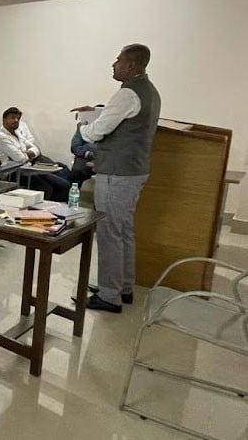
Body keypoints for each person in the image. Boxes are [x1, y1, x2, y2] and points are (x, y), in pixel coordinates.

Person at [76, 44, 161, 313]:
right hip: (134, 171)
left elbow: (98, 132)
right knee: (124, 231)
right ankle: (123, 286)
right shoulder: (149, 91)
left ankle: (109, 296)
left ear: (132, 65)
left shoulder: (126, 94)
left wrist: (83, 126)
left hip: (117, 174)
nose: (113, 64)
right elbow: (123, 120)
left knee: (109, 232)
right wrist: (97, 111)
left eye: (118, 60)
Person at [0, 107, 70, 202]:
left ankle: (55, 210)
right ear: (4, 120)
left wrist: (29, 153)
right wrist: (28, 154)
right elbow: (20, 158)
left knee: (64, 185)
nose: (16, 120)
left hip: (29, 169)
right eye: (12, 118)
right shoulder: (1, 137)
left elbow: (36, 148)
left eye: (18, 118)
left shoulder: (17, 133)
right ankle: (43, 212)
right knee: (47, 189)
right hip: (13, 173)